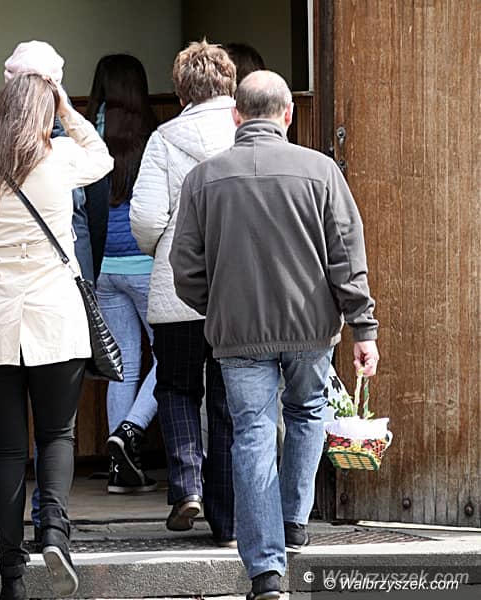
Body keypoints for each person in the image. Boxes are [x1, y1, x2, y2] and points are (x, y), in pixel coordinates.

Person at [171, 70, 380, 600]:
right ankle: (292, 521)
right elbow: (346, 255)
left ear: (236, 115)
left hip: (238, 334)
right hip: (311, 328)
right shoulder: (321, 171)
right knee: (308, 413)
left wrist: (219, 307)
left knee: (252, 434)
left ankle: (265, 572)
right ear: (288, 114)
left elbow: (185, 269)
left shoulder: (203, 178)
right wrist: (362, 325)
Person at [0, 72, 113, 600]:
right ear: (46, 112)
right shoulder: (61, 158)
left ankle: (11, 576)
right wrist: (68, 111)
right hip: (56, 319)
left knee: (8, 450)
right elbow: (102, 157)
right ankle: (54, 532)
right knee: (56, 436)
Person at [129, 40, 237, 547]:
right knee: (226, 398)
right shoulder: (246, 134)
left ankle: (187, 485)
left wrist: (164, 247)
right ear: (230, 84)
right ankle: (225, 519)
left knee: (175, 388)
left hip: (177, 288)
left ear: (181, 91)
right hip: (235, 290)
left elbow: (147, 220)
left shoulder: (164, 139)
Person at [83, 54, 160, 494]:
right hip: (145, 264)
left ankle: (119, 470)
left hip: (102, 267)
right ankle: (129, 432)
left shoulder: (83, 136)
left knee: (123, 363)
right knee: (170, 359)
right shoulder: (152, 136)